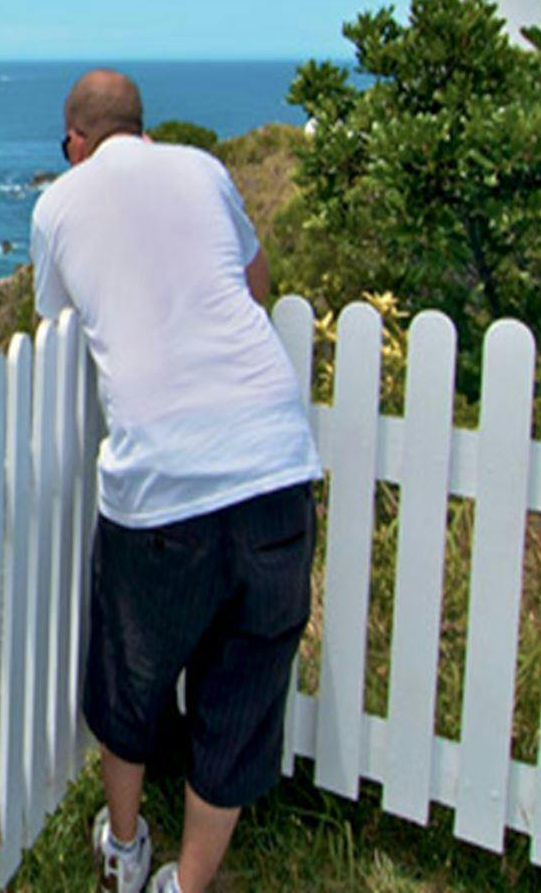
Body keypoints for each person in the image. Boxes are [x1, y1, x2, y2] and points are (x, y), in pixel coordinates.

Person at [31, 70, 322, 893]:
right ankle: (187, 886)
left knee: (130, 675)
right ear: (144, 128)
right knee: (242, 692)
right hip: (274, 467)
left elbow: (57, 322)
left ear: (75, 144)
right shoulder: (205, 169)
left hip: (162, 480)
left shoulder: (59, 203)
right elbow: (258, 284)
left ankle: (124, 849)